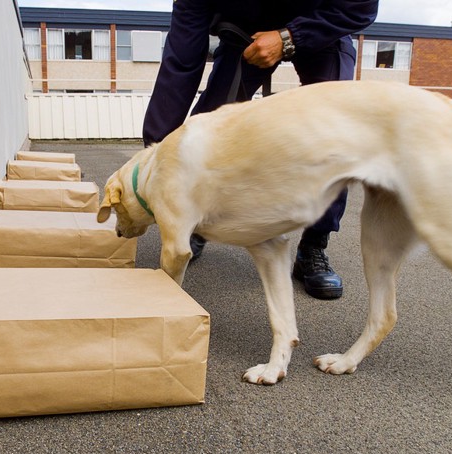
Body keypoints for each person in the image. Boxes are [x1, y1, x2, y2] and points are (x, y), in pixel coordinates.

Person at [142, 0, 379, 300]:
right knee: (214, 122)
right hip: (245, 30)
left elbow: (360, 9)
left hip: (321, 23)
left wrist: (289, 38)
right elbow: (181, 62)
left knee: (335, 134)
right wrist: (156, 148)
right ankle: (199, 221)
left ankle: (314, 245)